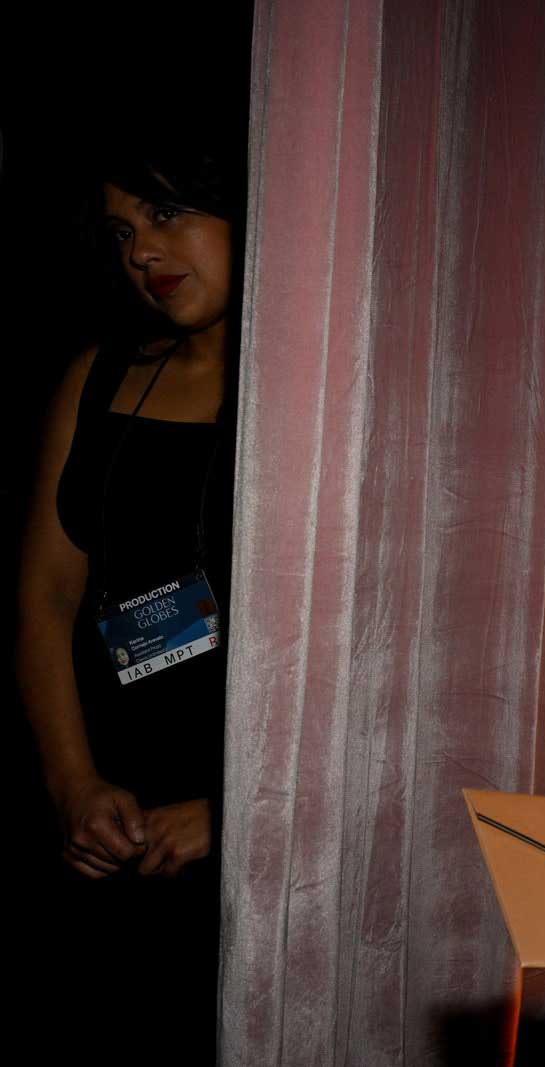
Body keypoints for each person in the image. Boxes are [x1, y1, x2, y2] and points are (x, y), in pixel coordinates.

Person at [16, 135, 238, 1063]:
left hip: (250, 847)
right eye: (121, 232)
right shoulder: (95, 375)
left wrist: (237, 813)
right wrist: (72, 786)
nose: (142, 252)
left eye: (165, 214)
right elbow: (44, 601)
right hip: (105, 828)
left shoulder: (322, 392)